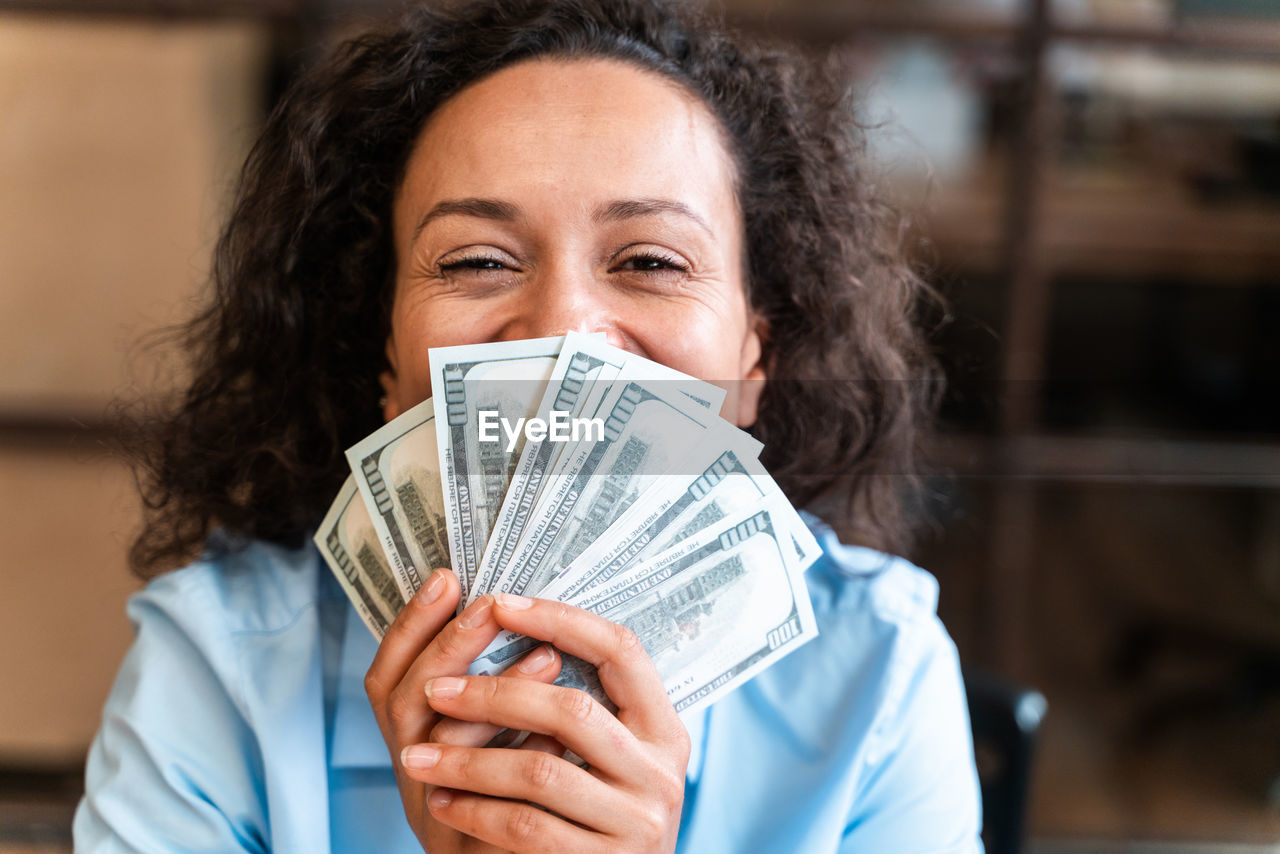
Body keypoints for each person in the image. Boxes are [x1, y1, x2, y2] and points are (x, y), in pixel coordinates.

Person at [75, 0, 983, 851]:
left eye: (651, 260)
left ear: (753, 364)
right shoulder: (219, 670)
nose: (561, 332)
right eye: (476, 259)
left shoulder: (879, 679)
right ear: (386, 362)